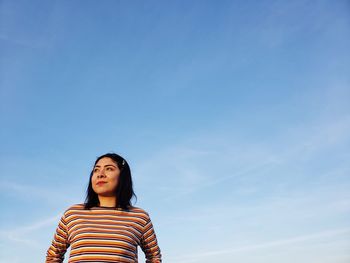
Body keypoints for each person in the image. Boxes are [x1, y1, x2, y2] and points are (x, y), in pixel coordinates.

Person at [46, 153, 162, 263]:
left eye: (109, 168)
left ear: (123, 176)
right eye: (96, 170)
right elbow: (53, 255)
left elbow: (154, 257)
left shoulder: (140, 216)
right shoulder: (73, 213)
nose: (100, 174)